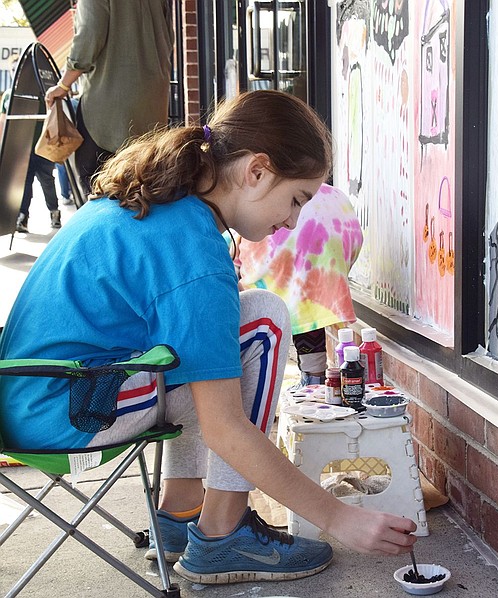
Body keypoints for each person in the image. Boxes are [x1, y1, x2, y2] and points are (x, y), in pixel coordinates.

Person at [0, 90, 416, 586]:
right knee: (262, 319)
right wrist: (341, 518)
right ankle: (221, 533)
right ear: (256, 171)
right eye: (297, 200)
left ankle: (180, 517)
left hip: (31, 400)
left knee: (223, 335)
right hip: (67, 411)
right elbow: (224, 428)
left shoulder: (160, 203)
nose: (291, 222)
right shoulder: (192, 245)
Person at [236, 183, 363, 387]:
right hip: (338, 230)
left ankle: (310, 379)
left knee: (285, 303)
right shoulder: (323, 190)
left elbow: (230, 261)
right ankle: (314, 377)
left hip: (282, 247)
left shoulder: (250, 198)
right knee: (309, 309)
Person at [44, 0, 173, 196]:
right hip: (153, 109)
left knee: (98, 189)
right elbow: (168, 39)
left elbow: (89, 36)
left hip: (108, 113)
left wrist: (63, 85)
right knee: (147, 189)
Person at [1, 86, 61, 232]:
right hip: (21, 147)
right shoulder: (9, 94)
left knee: (46, 181)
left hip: (42, 146)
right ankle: (23, 216)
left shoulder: (43, 92)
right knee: (25, 182)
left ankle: (54, 211)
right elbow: (3, 120)